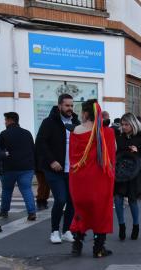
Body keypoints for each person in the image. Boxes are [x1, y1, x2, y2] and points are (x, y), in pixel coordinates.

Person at [69, 99, 116, 258]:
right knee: (101, 212)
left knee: (80, 211)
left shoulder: (75, 130)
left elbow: (72, 158)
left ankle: (77, 244)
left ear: (85, 113)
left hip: (79, 180)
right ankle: (98, 248)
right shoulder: (106, 133)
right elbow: (111, 159)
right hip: (99, 179)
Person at [36, 93, 80, 244]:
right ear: (60, 105)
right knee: (60, 199)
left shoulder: (76, 122)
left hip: (72, 170)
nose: (70, 108)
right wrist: (52, 161)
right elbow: (41, 143)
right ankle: (55, 231)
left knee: (72, 201)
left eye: (72, 105)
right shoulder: (49, 122)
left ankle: (66, 230)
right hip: (55, 169)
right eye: (67, 105)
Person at [114, 113, 141, 240]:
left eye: (126, 124)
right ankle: (121, 226)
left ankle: (136, 226)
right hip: (121, 172)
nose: (124, 127)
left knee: (132, 200)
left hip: (135, 172)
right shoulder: (119, 137)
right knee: (117, 199)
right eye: (122, 124)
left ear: (133, 124)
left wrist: (138, 150)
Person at [0, 112, 36, 221]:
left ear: (10, 120)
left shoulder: (4, 134)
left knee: (7, 190)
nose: (5, 122)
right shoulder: (27, 133)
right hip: (27, 168)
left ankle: (4, 211)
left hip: (9, 167)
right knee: (27, 189)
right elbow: (33, 150)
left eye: (5, 120)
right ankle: (32, 212)